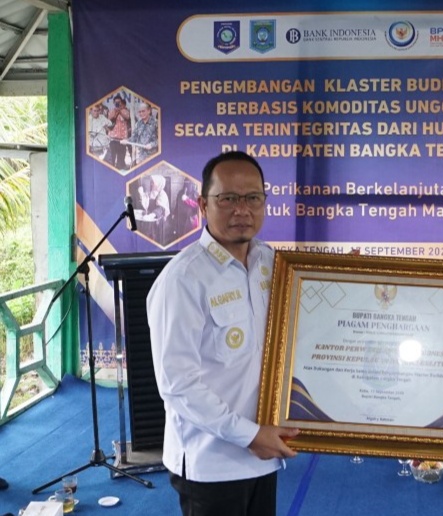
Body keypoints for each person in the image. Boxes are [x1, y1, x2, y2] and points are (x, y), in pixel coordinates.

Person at [146, 150, 299, 516]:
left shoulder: (272, 263)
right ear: (203, 205)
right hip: (211, 464)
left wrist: (349, 283)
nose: (241, 210)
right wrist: (249, 435)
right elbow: (178, 384)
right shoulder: (183, 279)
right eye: (227, 198)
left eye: (252, 198)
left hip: (263, 455)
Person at [138, 175, 171, 246]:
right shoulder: (152, 192)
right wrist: (141, 194)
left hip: (158, 222)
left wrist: (152, 215)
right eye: (151, 182)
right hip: (150, 222)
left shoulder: (162, 194)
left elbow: (161, 209)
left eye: (153, 182)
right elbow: (146, 202)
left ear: (158, 183)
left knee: (156, 240)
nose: (151, 184)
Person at [104, 95, 131, 170]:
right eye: (116, 102)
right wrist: (116, 110)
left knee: (121, 154)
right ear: (113, 103)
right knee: (112, 154)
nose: (117, 103)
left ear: (121, 102)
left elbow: (127, 117)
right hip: (113, 137)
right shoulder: (111, 111)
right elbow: (110, 118)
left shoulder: (125, 111)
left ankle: (120, 166)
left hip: (122, 137)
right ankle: (111, 168)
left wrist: (120, 110)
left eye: (119, 102)